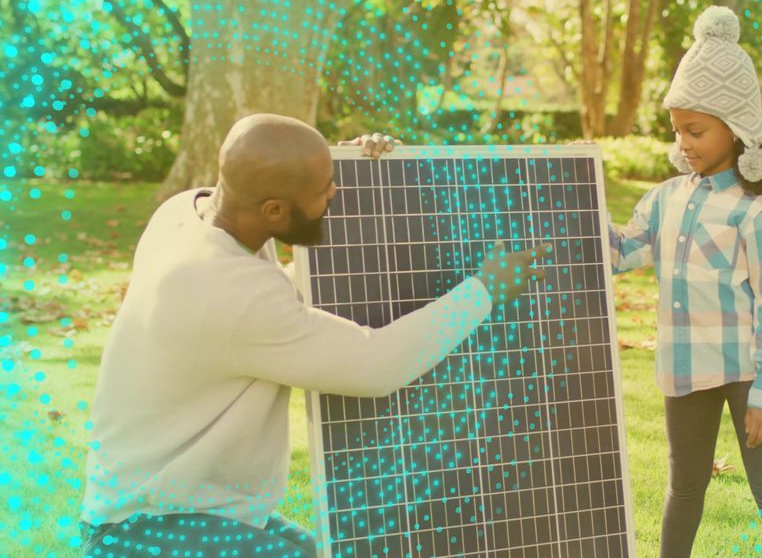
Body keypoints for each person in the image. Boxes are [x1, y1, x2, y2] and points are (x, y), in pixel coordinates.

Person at [79, 114, 547, 557]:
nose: (335, 194)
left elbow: (277, 283)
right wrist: (483, 291)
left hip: (178, 501)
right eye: (325, 190)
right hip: (143, 528)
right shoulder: (230, 295)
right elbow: (376, 365)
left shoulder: (186, 212)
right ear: (274, 209)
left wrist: (352, 170)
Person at [608, 6, 762, 558]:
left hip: (748, 372)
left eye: (696, 130)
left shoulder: (761, 214)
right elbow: (622, 252)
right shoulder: (665, 198)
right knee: (684, 486)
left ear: (738, 127)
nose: (685, 143)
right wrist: (569, 211)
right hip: (684, 369)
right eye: (678, 131)